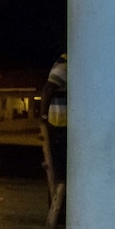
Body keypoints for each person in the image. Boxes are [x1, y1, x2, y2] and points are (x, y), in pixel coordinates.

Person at [41, 52, 67, 182]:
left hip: (64, 123)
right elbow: (48, 89)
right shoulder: (65, 64)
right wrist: (43, 117)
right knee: (60, 168)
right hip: (60, 124)